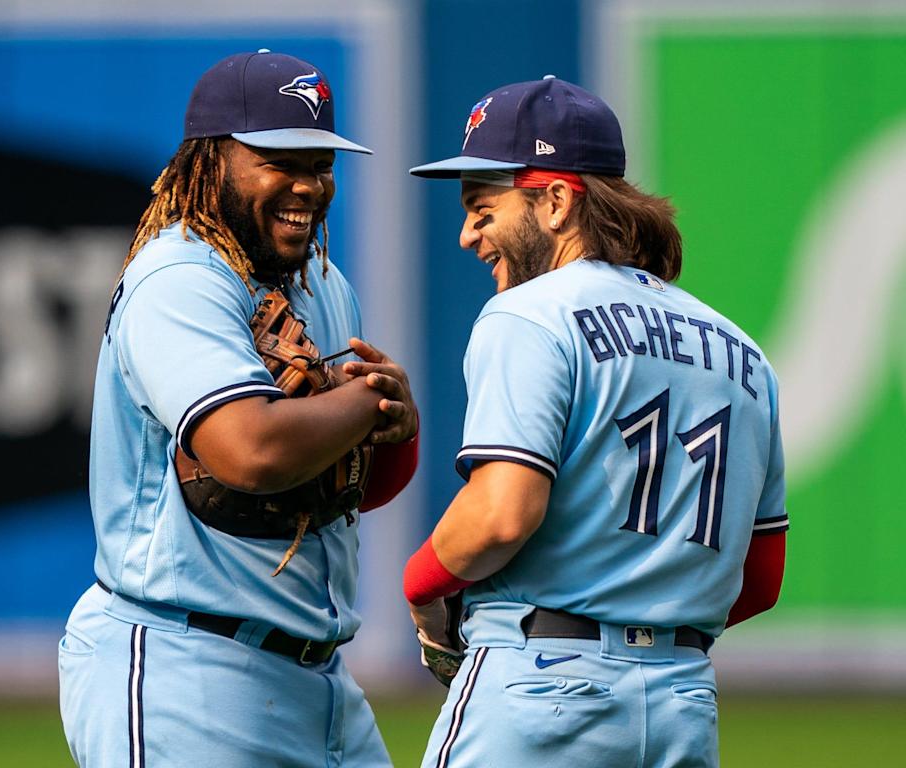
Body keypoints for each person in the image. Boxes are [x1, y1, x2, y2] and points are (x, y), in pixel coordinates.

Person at [403, 76, 787, 768]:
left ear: (553, 201)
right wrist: (650, 629)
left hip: (542, 690)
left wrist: (423, 586)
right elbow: (759, 578)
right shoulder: (743, 352)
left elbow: (500, 515)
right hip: (681, 702)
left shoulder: (530, 313)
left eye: (482, 207)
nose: (466, 235)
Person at [58, 50, 419, 768]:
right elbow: (250, 451)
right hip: (186, 666)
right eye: (279, 159)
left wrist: (391, 430)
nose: (307, 185)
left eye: (320, 163)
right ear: (211, 159)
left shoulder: (322, 281)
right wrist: (364, 400)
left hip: (319, 681)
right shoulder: (180, 276)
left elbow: (342, 491)